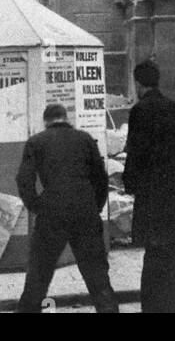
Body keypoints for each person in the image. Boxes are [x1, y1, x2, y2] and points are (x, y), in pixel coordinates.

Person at [14, 103, 119, 314]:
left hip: (52, 212)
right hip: (85, 211)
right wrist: (94, 206)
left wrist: (37, 206)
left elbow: (24, 179)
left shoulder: (36, 142)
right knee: (97, 275)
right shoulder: (85, 139)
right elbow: (100, 178)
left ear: (46, 121)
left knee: (39, 275)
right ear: (66, 117)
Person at [123, 60, 175, 314]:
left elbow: (135, 153)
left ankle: (152, 307)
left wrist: (130, 183)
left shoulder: (140, 111)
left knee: (152, 250)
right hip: (170, 188)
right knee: (168, 249)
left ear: (138, 84)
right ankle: (173, 307)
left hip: (149, 190)